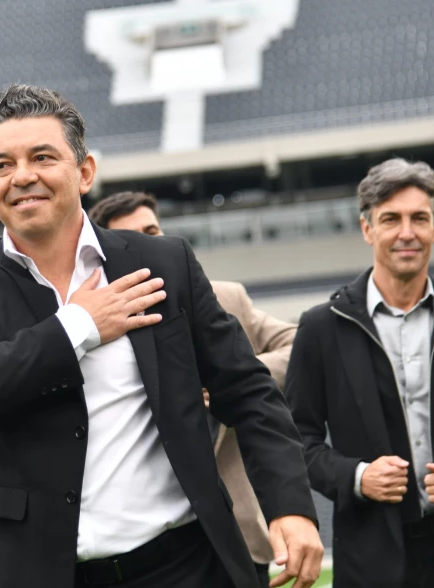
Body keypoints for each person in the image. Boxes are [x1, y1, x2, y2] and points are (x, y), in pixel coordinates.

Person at [0, 84, 322, 588]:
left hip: (185, 566)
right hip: (43, 572)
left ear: (85, 171)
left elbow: (249, 393)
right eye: (1, 165)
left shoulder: (162, 262)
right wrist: (78, 326)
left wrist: (290, 506)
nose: (21, 176)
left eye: (41, 157)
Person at [285, 159, 434, 588]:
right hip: (369, 560)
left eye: (419, 218)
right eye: (390, 219)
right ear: (367, 229)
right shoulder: (321, 328)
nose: (406, 233)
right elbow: (296, 440)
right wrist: (358, 476)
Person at [88, 190, 299, 584]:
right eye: (133, 236)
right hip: (149, 538)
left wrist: (217, 381)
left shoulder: (223, 297)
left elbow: (298, 345)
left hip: (238, 528)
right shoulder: (93, 320)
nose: (147, 243)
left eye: (152, 230)